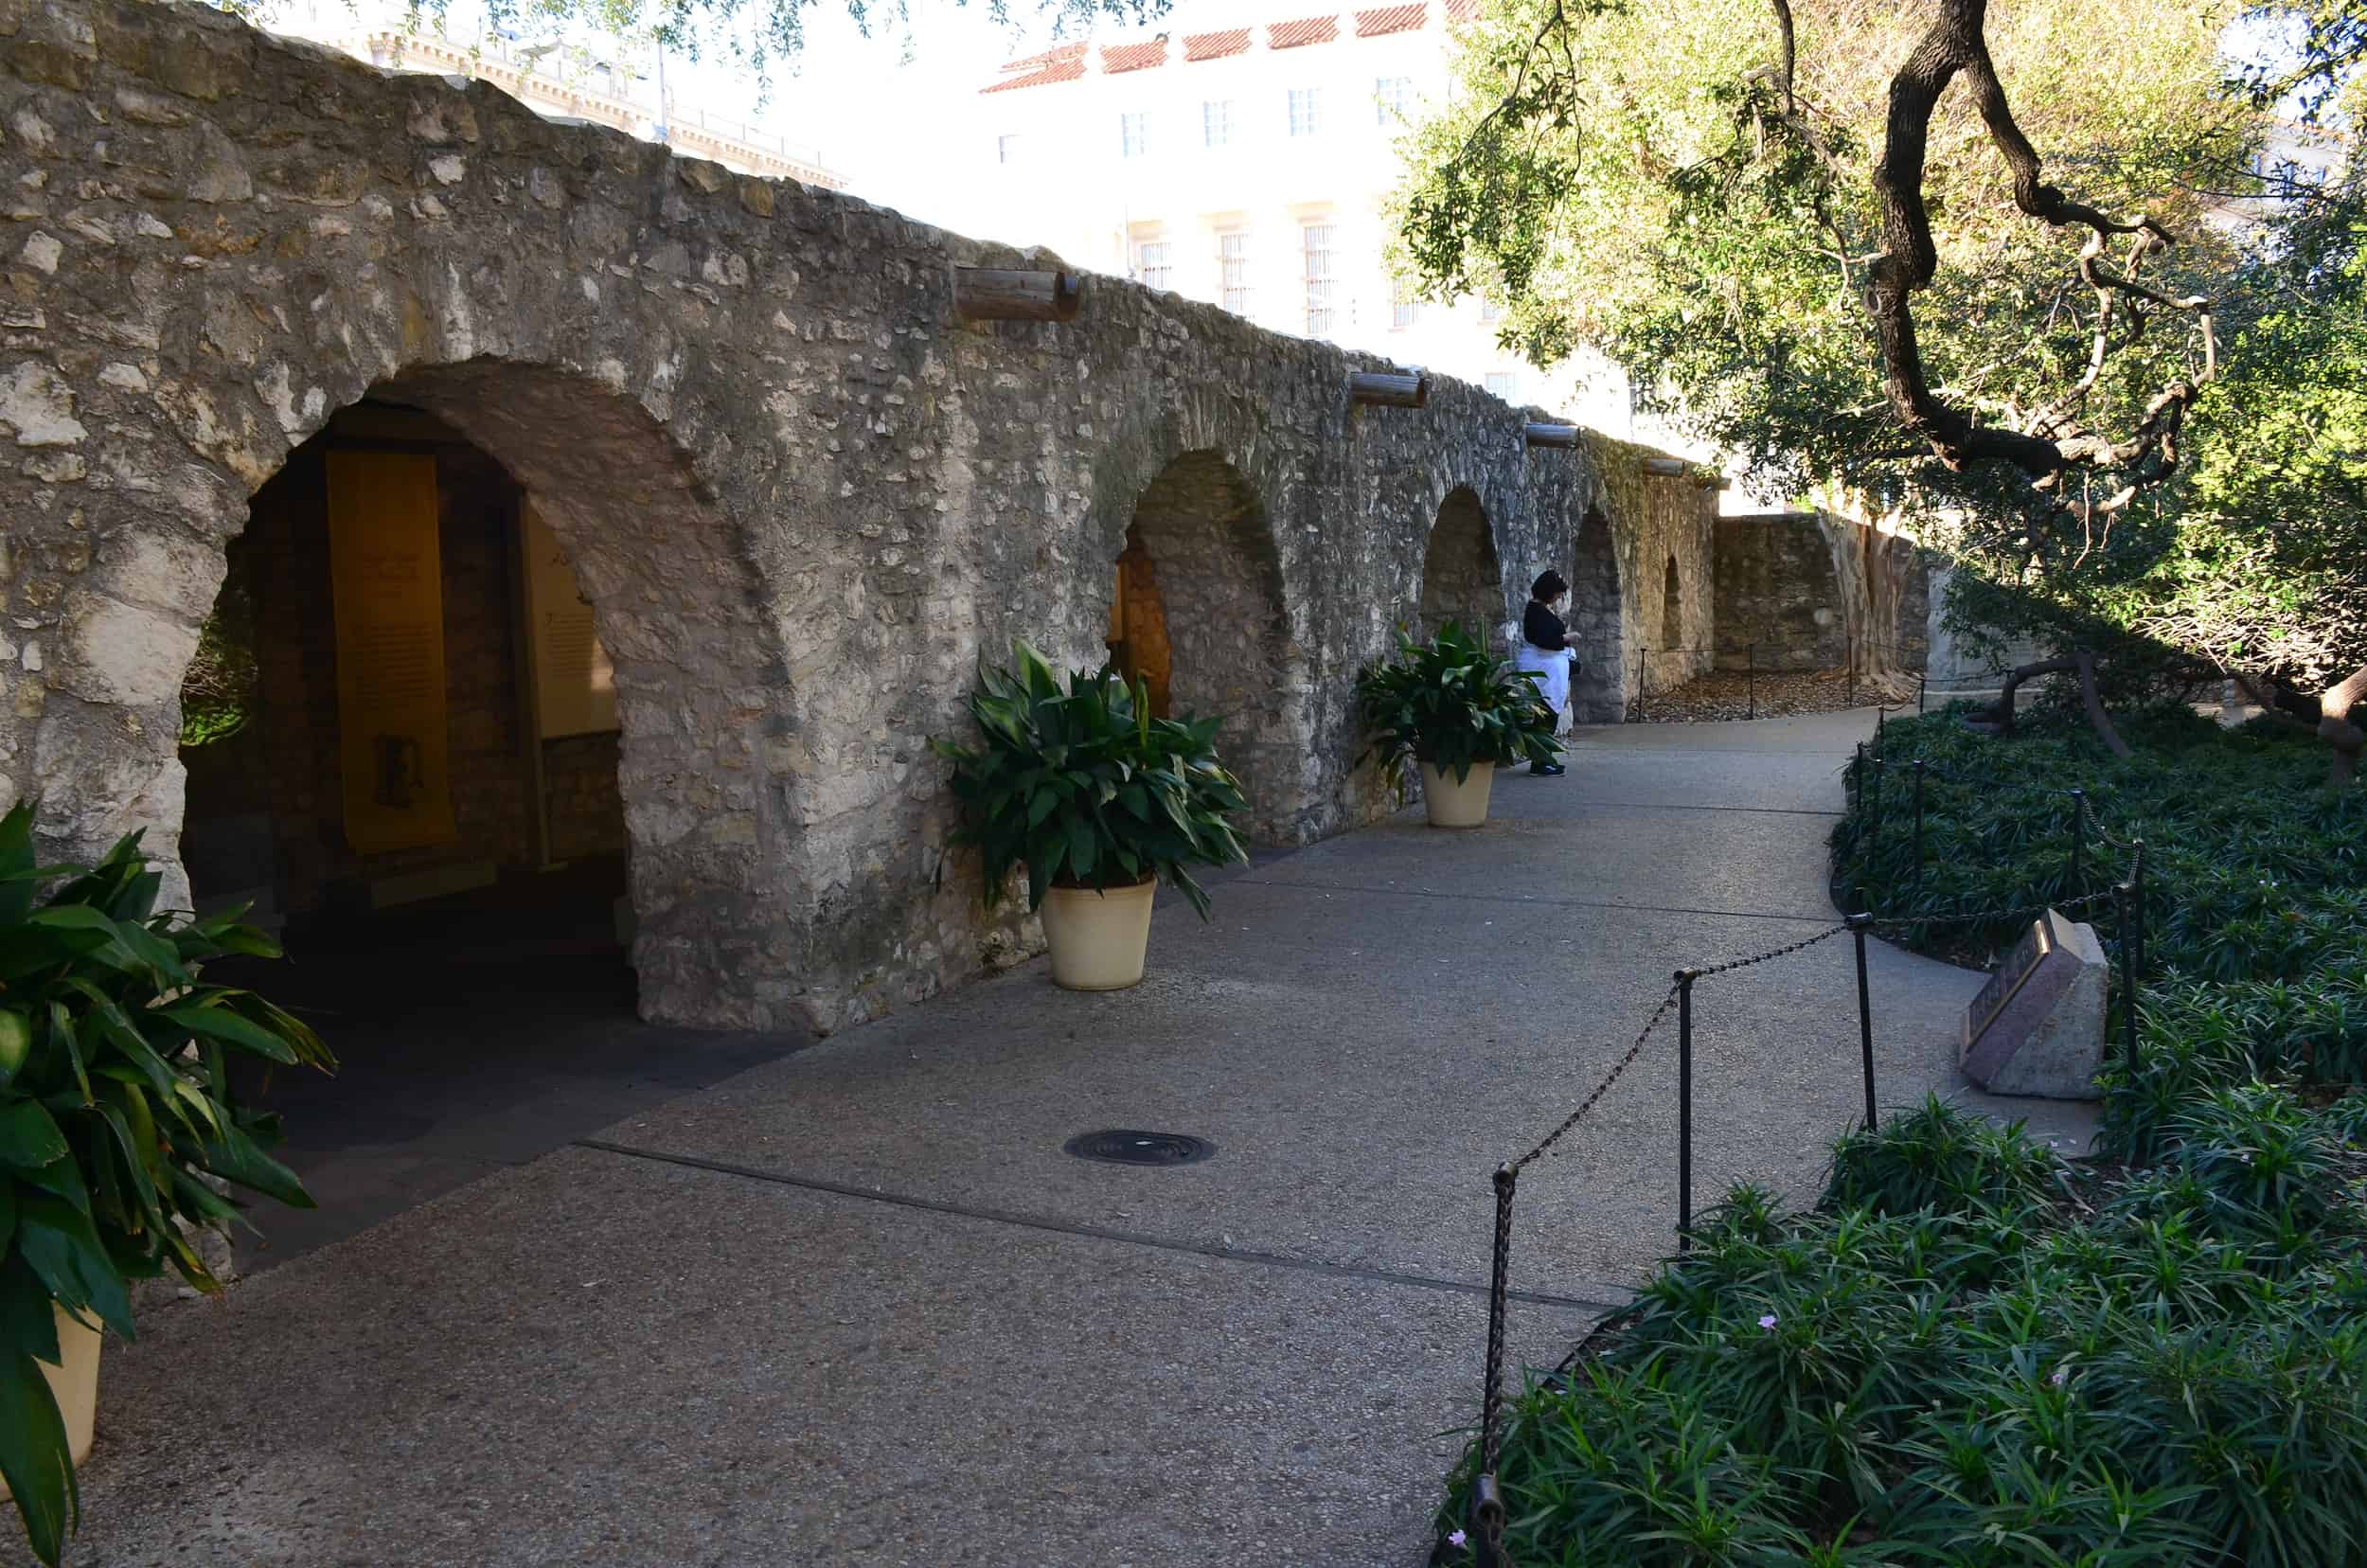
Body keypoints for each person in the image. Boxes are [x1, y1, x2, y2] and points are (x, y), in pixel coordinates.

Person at [1515, 570, 1579, 775]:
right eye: (1557, 593)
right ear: (1548, 592)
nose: (1558, 597)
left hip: (1548, 666)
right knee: (1545, 717)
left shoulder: (1539, 609)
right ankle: (1540, 762)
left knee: (1546, 717)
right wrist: (1566, 637)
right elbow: (1544, 640)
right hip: (1542, 668)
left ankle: (1543, 760)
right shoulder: (1536, 612)